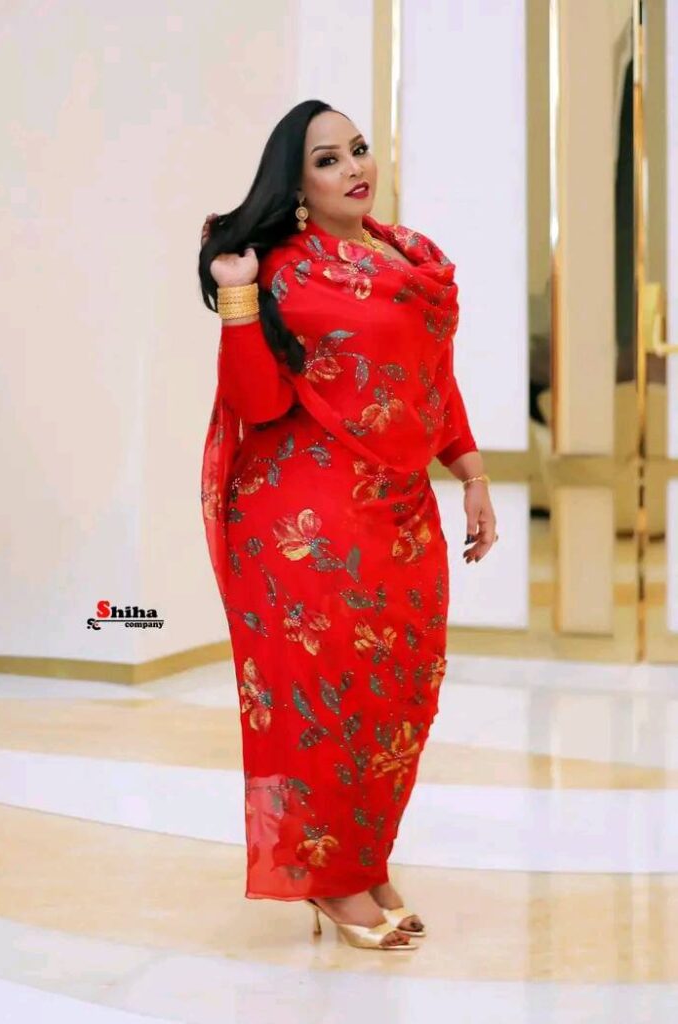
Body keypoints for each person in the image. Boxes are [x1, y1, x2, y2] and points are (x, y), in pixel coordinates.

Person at [198, 99, 498, 951]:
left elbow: (430, 380)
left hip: (397, 511)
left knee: (397, 695)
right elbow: (258, 403)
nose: (353, 168)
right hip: (305, 519)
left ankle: (362, 858)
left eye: (357, 150)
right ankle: (330, 881)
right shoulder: (282, 270)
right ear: (295, 184)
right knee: (325, 703)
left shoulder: (410, 257)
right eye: (327, 159)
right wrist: (238, 296)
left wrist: (471, 474)